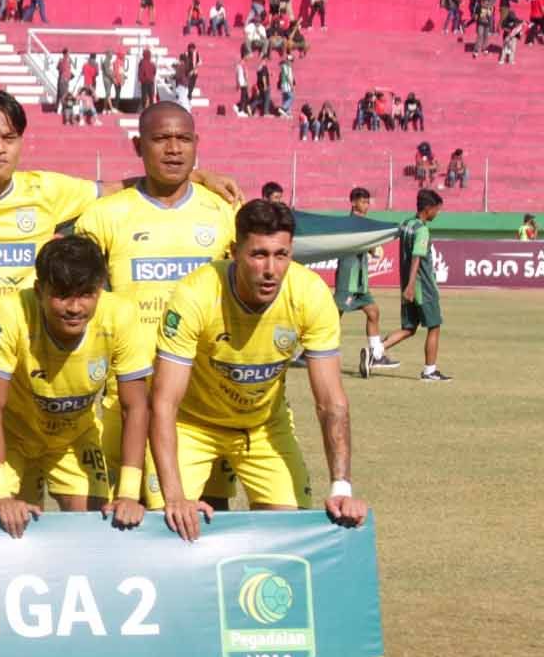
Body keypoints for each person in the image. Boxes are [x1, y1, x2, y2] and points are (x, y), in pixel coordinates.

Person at [0, 89, 243, 511]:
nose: (0, 148)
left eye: (10, 137)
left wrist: (197, 177)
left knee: (21, 519)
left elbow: (125, 187)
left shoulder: (49, 190)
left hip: (24, 387)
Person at [151, 200, 367, 542]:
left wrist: (341, 485)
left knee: (288, 533)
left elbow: (331, 401)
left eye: (281, 255)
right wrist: (174, 496)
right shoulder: (196, 294)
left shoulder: (310, 294)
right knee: (165, 525)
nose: (271, 269)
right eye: (258, 255)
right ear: (234, 251)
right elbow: (163, 402)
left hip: (263, 428)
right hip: (192, 427)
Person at [74, 101, 239, 512]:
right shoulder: (104, 216)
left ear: (196, 144)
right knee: (128, 512)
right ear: (138, 145)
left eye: (183, 139)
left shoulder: (224, 212)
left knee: (211, 510)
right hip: (132, 392)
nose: (173, 149)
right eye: (161, 139)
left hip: (208, 396)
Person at [0, 236, 153, 537]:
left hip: (74, 437)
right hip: (11, 435)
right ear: (39, 290)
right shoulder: (11, 311)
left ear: (100, 290)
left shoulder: (120, 314)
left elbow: (135, 407)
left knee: (100, 530)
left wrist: (128, 493)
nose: (74, 307)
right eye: (62, 296)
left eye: (85, 295)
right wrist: (0, 495)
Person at [375, 190, 450, 381]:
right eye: (436, 209)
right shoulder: (422, 230)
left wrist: (407, 286)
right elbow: (417, 256)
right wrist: (411, 285)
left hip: (408, 285)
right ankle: (429, 371)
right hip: (422, 286)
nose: (438, 213)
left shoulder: (407, 224)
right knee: (434, 326)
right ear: (427, 209)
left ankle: (375, 351)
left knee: (409, 328)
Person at [331, 187, 397, 377]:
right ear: (353, 203)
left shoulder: (365, 224)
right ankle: (311, 351)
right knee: (333, 316)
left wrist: (372, 248)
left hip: (361, 281)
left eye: (368, 202)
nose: (367, 205)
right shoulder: (348, 223)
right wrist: (370, 247)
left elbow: (367, 247)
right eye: (363, 202)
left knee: (373, 312)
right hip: (348, 277)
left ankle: (375, 354)